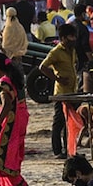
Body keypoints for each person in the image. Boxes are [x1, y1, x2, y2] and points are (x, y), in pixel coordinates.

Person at [0, 53, 31, 186]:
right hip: (17, 122)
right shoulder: (13, 79)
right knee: (11, 155)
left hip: (8, 124)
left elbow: (6, 104)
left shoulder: (3, 82)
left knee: (5, 157)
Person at [40, 23, 77, 159]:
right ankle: (57, 150)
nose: (73, 39)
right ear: (63, 38)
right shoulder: (55, 52)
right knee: (59, 122)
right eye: (70, 36)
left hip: (73, 91)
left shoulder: (72, 50)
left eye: (74, 36)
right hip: (61, 92)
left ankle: (70, 149)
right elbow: (42, 67)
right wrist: (57, 79)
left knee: (71, 122)